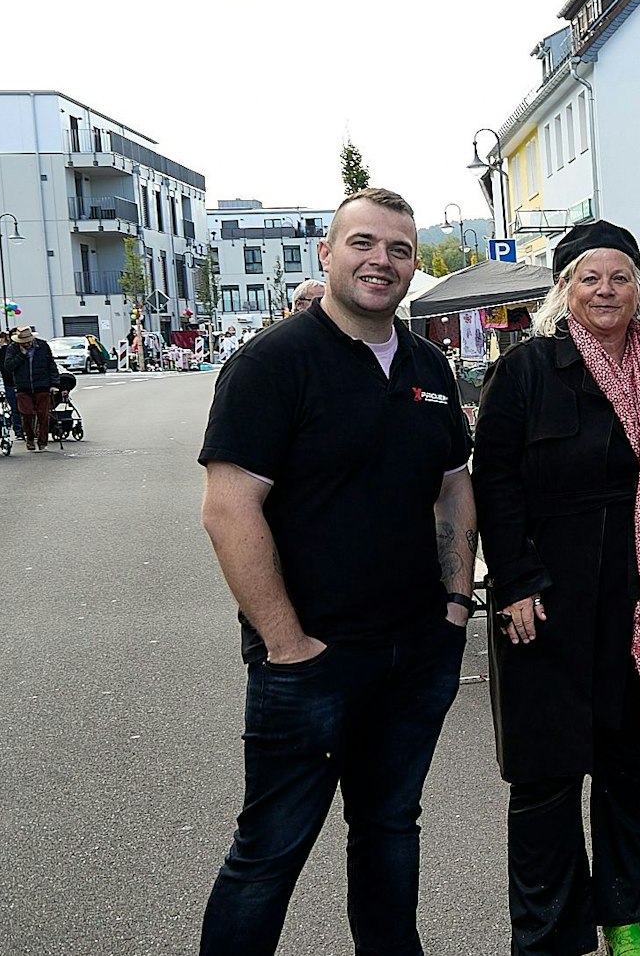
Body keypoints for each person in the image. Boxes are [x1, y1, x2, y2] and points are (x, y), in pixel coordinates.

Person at [196, 187, 475, 956]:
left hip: (415, 650)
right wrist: (286, 644)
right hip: (309, 662)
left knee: (389, 831)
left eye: (398, 249)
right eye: (362, 243)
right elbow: (228, 509)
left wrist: (454, 606)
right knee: (269, 853)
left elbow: (453, 484)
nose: (380, 261)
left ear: (414, 264)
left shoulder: (428, 367)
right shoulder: (274, 363)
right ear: (327, 253)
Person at [471, 219, 640, 956]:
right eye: (589, 277)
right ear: (563, 289)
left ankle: (622, 913)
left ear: (639, 288)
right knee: (545, 777)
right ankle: (548, 934)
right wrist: (512, 582)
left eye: (620, 276)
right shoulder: (527, 370)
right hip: (544, 602)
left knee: (627, 767)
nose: (606, 290)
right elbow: (494, 483)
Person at [5, 328, 61, 451]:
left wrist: (55, 384)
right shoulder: (13, 348)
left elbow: (51, 365)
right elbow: (8, 366)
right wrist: (21, 355)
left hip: (42, 385)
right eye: (23, 341)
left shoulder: (43, 346)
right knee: (26, 413)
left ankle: (42, 441)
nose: (27, 344)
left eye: (28, 341)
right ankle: (29, 438)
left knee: (43, 415)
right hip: (23, 387)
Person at [0, 332, 24, 442]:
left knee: (17, 408)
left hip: (12, 383)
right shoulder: (7, 350)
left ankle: (21, 430)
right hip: (13, 383)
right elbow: (1, 366)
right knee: (17, 408)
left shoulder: (5, 350)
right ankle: (20, 430)